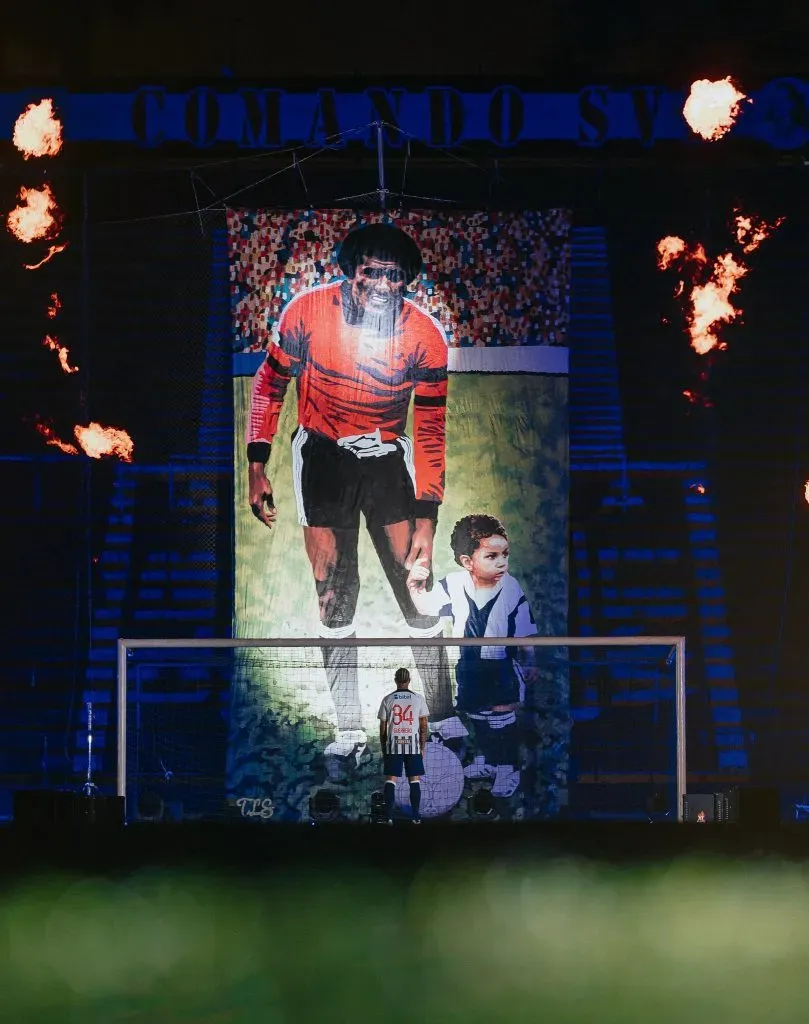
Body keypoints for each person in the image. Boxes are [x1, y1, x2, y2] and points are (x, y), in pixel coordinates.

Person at [246, 222, 455, 767]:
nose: (384, 284)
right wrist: (256, 464)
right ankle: (347, 728)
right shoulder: (306, 312)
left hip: (386, 461)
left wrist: (428, 521)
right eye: (372, 272)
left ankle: (447, 715)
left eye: (396, 275)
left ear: (407, 281)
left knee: (418, 587)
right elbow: (270, 385)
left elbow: (431, 429)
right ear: (351, 270)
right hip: (323, 460)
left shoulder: (426, 336)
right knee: (334, 597)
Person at [407, 514, 538, 798]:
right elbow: (426, 607)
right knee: (478, 716)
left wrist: (530, 660)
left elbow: (526, 632)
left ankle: (508, 767)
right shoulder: (454, 585)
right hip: (469, 668)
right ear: (468, 561)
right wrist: (415, 588)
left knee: (501, 718)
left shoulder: (511, 589)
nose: (502, 562)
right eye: (491, 556)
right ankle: (489, 761)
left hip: (501, 668)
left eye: (505, 554)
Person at [377, 667, 429, 823]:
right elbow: (424, 725)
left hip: (394, 746)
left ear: (395, 680)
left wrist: (384, 748)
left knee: (390, 781)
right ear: (409, 680)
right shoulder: (418, 698)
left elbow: (383, 728)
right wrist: (422, 746)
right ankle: (415, 817)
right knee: (414, 780)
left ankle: (389, 817)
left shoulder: (388, 699)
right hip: (412, 745)